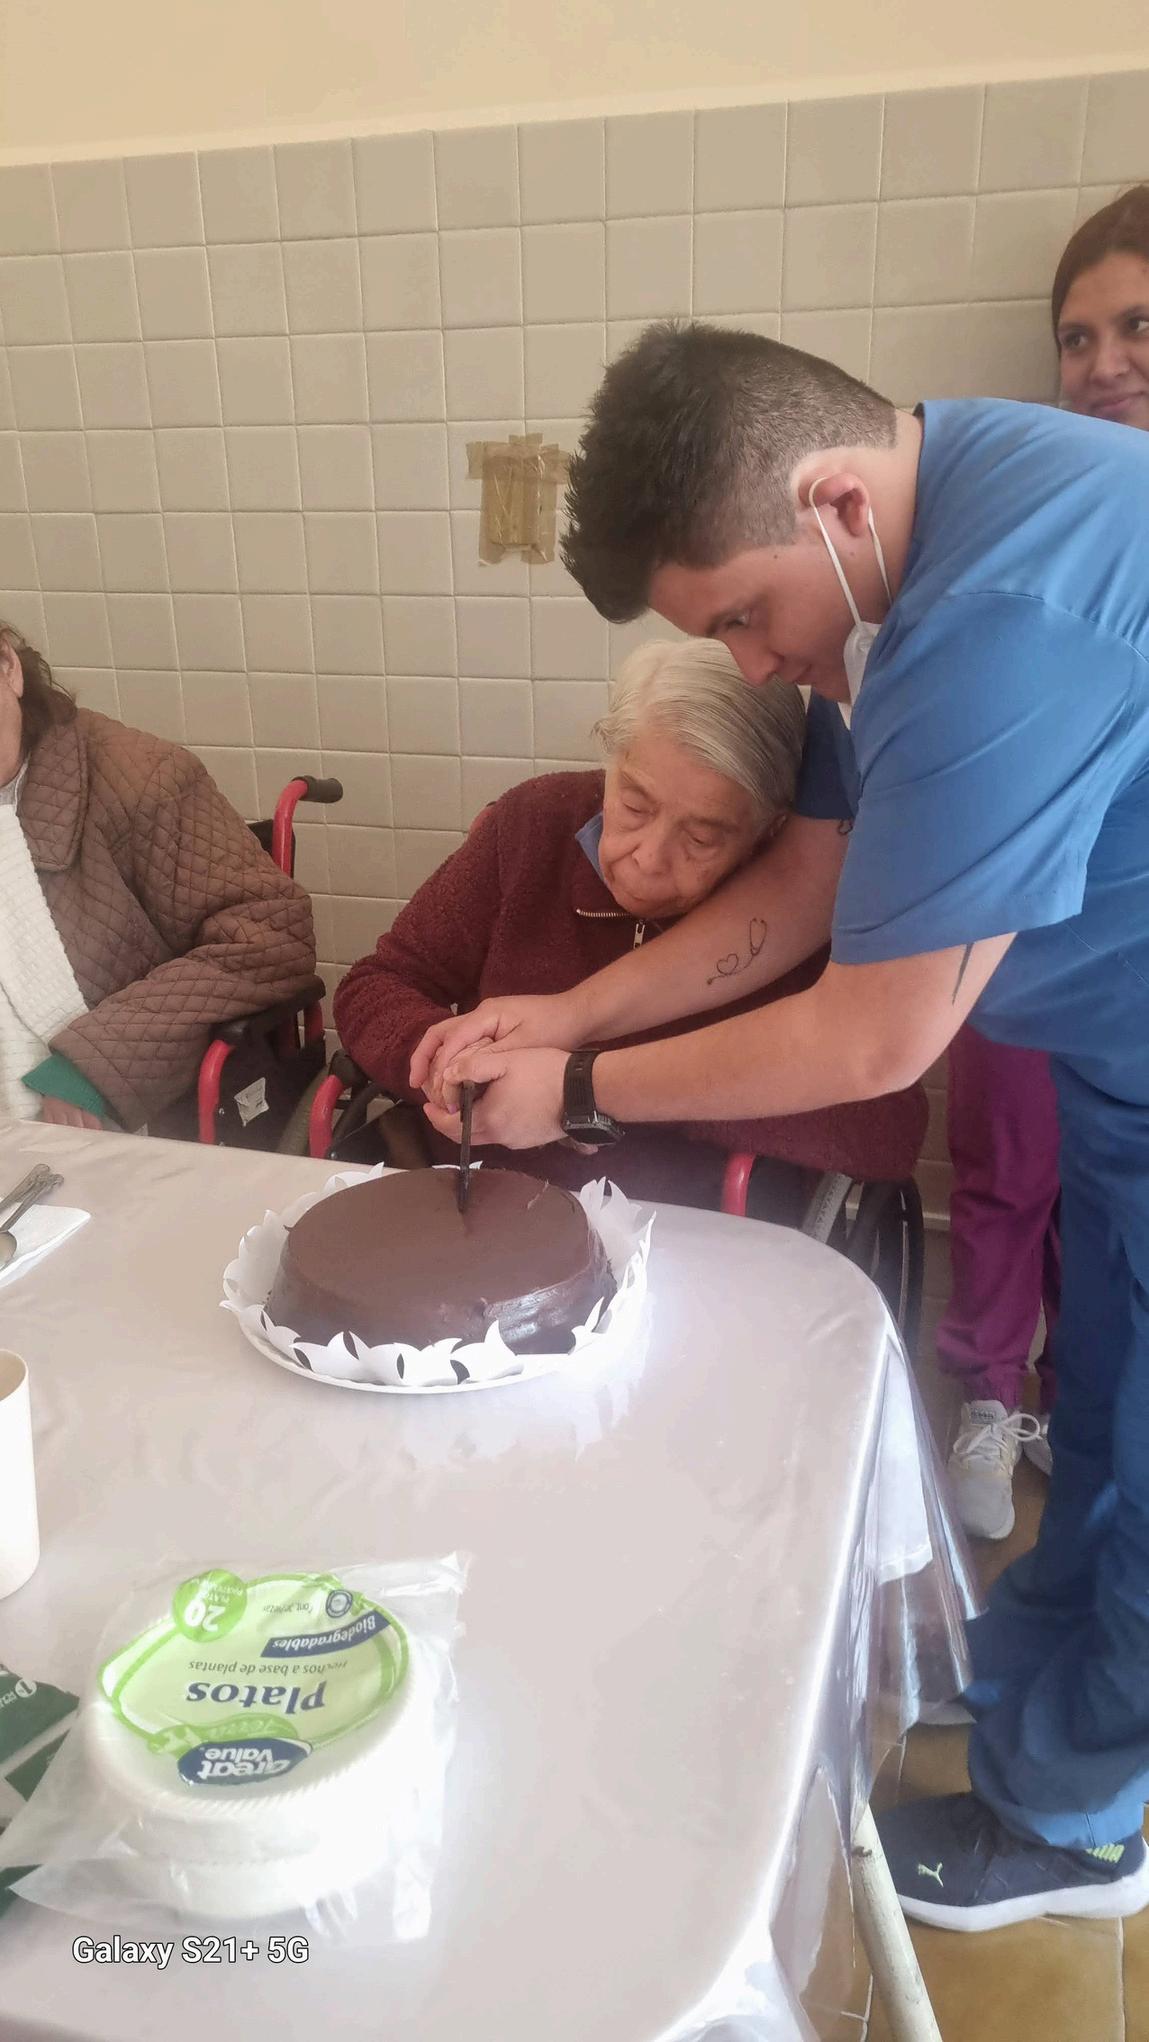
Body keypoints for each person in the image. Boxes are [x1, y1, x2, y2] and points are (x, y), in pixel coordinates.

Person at [409, 322, 1149, 1932]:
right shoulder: (914, 529)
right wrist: (570, 1013)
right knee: (1099, 1423)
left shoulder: (1002, 617)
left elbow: (877, 1032)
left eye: (742, 615)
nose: (746, 664)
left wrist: (579, 1093)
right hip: (1119, 1071)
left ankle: (1082, 1826)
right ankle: (1039, 1702)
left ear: (831, 498)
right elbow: (810, 879)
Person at [334, 638, 926, 1210]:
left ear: (771, 830)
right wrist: (460, 1073)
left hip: (684, 1234)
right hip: (475, 1200)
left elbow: (883, 1124)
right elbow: (377, 984)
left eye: (702, 837)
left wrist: (593, 1092)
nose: (647, 858)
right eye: (634, 805)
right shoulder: (532, 825)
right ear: (610, 761)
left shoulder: (797, 908)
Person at [939, 186, 1149, 1541]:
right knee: (1008, 1163)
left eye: (1138, 327)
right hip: (1026, 934)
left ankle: (1082, 1410)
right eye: (1078, 337)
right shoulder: (1039, 524)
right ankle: (986, 1391)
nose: (1104, 362)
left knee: (1111, 1228)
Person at [0, 622, 315, 1132]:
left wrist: (96, 1064)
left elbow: (272, 935)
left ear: (8, 666)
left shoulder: (145, 780)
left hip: (126, 1110)